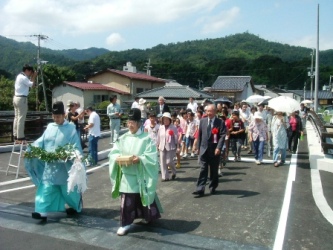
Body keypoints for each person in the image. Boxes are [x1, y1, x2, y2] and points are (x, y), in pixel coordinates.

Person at [24, 101, 84, 222]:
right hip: (50, 166)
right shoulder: (50, 127)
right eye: (54, 116)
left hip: (64, 167)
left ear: (63, 115)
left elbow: (76, 147)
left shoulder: (71, 129)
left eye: (58, 116)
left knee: (68, 191)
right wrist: (31, 150)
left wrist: (71, 155)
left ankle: (76, 206)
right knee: (46, 188)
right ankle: (41, 212)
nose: (56, 119)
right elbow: (41, 141)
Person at [109, 108, 162, 236]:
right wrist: (116, 157)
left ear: (139, 123)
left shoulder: (146, 139)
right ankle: (126, 223)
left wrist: (141, 159)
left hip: (141, 174)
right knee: (127, 200)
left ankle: (147, 217)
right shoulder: (123, 138)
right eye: (128, 122)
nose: (130, 124)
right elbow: (114, 152)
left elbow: (152, 157)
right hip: (127, 175)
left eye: (132, 122)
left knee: (142, 196)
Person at [192, 104, 226, 197]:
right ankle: (200, 189)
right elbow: (200, 135)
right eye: (207, 111)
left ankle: (213, 186)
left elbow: (223, 135)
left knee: (214, 170)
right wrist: (198, 147)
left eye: (211, 111)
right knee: (203, 169)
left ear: (215, 112)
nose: (209, 113)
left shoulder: (220, 122)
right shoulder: (202, 121)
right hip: (204, 149)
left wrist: (219, 147)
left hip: (214, 150)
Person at [13, 64, 37, 143]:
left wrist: (31, 77)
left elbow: (30, 84)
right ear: (27, 70)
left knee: (16, 117)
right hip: (22, 99)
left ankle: (16, 136)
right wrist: (34, 76)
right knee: (21, 118)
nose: (30, 73)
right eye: (30, 72)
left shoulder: (19, 76)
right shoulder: (23, 78)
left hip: (16, 98)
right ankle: (20, 137)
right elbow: (32, 85)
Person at [156, 112, 178, 181]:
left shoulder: (173, 127)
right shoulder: (161, 127)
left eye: (167, 119)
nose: (165, 121)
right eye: (164, 119)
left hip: (170, 146)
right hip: (162, 146)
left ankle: (174, 172)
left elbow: (176, 137)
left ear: (170, 120)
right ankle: (165, 177)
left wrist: (178, 146)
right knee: (162, 162)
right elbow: (158, 137)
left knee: (169, 161)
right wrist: (157, 144)